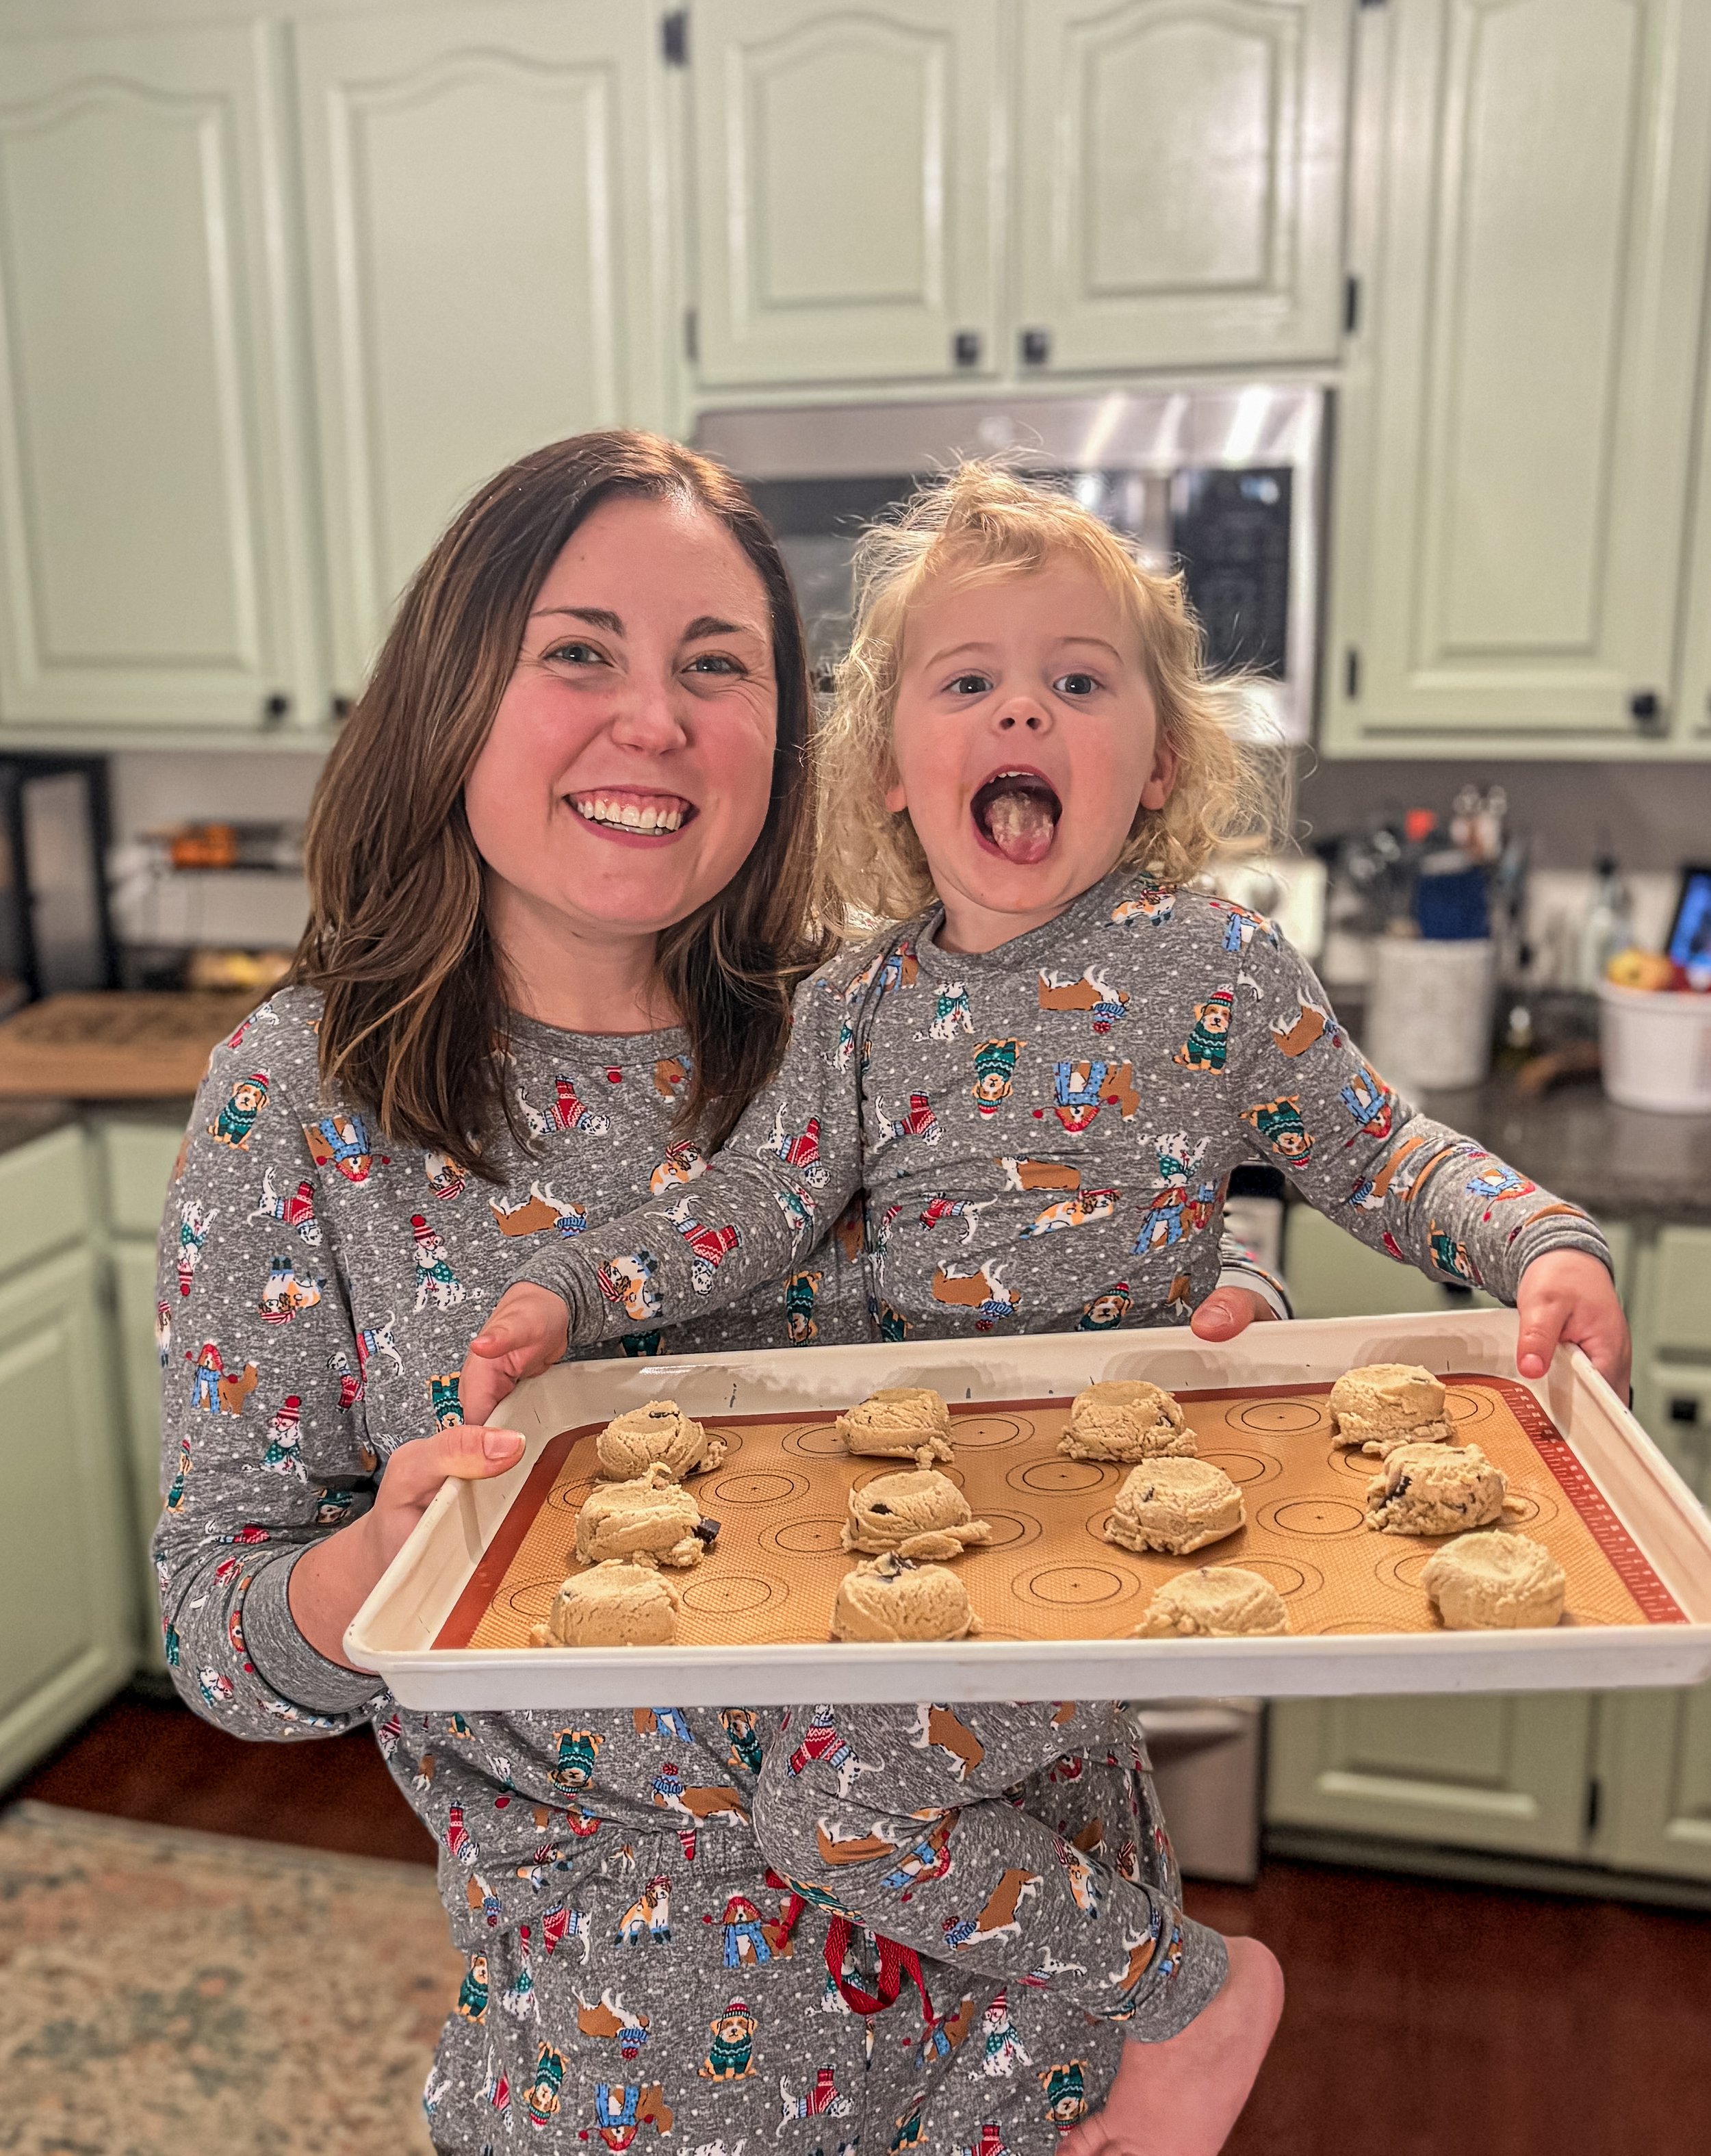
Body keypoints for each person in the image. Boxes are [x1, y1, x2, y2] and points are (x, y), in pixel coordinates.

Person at [463, 461, 1633, 2148]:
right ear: (888, 772)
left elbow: (1377, 1151)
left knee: (834, 1812)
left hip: (1118, 1510)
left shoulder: (1218, 970)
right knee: (841, 1809)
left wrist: (1540, 1242)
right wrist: (569, 1289)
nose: (1024, 704)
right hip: (934, 1519)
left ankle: (1192, 1996)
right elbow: (752, 1210)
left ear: (1155, 763)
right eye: (969, 680)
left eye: (1078, 680)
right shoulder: (857, 1002)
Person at [153, 434, 1229, 2156]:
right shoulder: (303, 1101)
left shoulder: (891, 1011)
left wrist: (1203, 1307)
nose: (649, 720)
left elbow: (1097, 1246)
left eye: (712, 666)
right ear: (452, 694)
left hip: (1050, 2013)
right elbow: (221, 1631)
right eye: (577, 652)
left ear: (790, 739)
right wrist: (373, 1573)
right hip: (629, 2066)